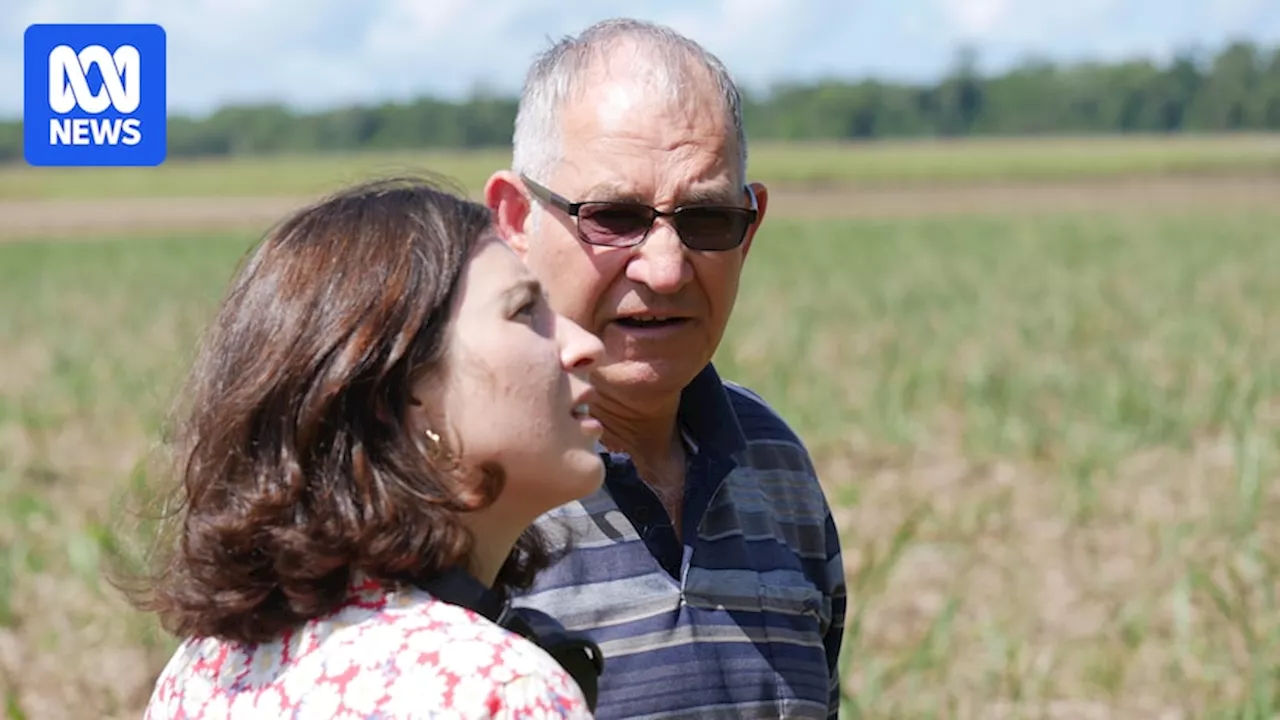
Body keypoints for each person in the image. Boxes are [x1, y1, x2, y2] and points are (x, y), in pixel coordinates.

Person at [119, 176, 608, 719]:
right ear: (398, 395)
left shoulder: (204, 669)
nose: (584, 345)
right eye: (523, 312)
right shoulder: (500, 689)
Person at [483, 18, 848, 720]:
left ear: (752, 226)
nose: (667, 267)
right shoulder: (452, 492)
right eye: (614, 217)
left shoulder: (774, 464)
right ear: (514, 219)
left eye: (706, 219)